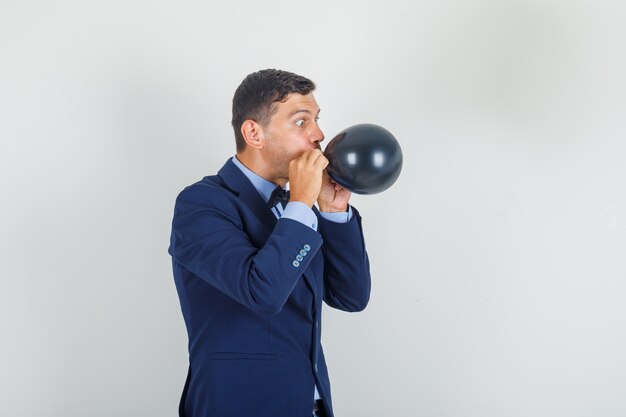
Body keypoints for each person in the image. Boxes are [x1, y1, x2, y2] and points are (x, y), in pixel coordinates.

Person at [168, 69, 371, 417]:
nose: (319, 135)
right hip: (237, 405)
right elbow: (262, 292)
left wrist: (334, 212)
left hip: (310, 403)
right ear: (253, 133)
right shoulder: (201, 204)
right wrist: (301, 204)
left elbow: (351, 297)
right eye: (301, 122)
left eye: (317, 120)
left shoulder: (296, 208)